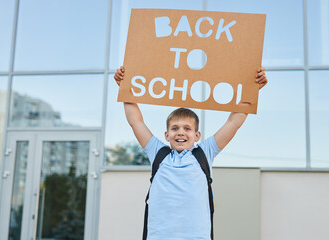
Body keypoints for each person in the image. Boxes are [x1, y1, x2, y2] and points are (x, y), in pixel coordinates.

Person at [114, 66, 267, 240]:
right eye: (174, 128)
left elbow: (234, 122)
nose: (180, 132)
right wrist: (124, 88)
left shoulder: (204, 152)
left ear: (197, 135)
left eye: (187, 128)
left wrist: (252, 90)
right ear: (166, 135)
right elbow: (136, 121)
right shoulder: (158, 152)